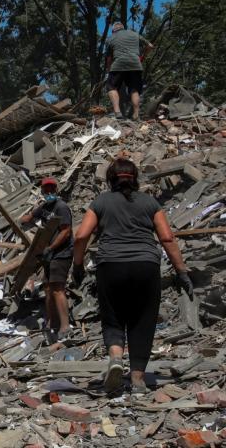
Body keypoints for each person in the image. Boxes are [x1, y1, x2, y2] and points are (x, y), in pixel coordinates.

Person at [72, 158, 193, 394]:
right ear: (135, 178)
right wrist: (181, 271)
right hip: (145, 266)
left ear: (110, 179)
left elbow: (81, 236)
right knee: (143, 320)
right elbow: (167, 238)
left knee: (113, 317)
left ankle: (116, 359)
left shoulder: (101, 201)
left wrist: (77, 266)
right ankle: (137, 379)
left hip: (111, 266)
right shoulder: (150, 203)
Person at [19, 177, 73, 337]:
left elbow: (66, 231)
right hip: (49, 255)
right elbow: (28, 219)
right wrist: (21, 219)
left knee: (57, 288)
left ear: (56, 190)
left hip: (61, 253)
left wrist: (51, 248)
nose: (49, 192)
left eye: (51, 189)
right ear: (42, 191)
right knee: (49, 289)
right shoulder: (44, 207)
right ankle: (51, 322)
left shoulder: (61, 207)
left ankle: (65, 326)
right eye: (46, 190)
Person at [105, 22, 153, 121]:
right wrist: (143, 56)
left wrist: (109, 69)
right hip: (135, 64)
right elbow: (150, 45)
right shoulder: (134, 34)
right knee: (134, 89)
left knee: (111, 86)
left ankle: (117, 112)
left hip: (118, 65)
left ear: (114, 30)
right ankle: (136, 115)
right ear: (123, 28)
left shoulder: (111, 38)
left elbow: (109, 58)